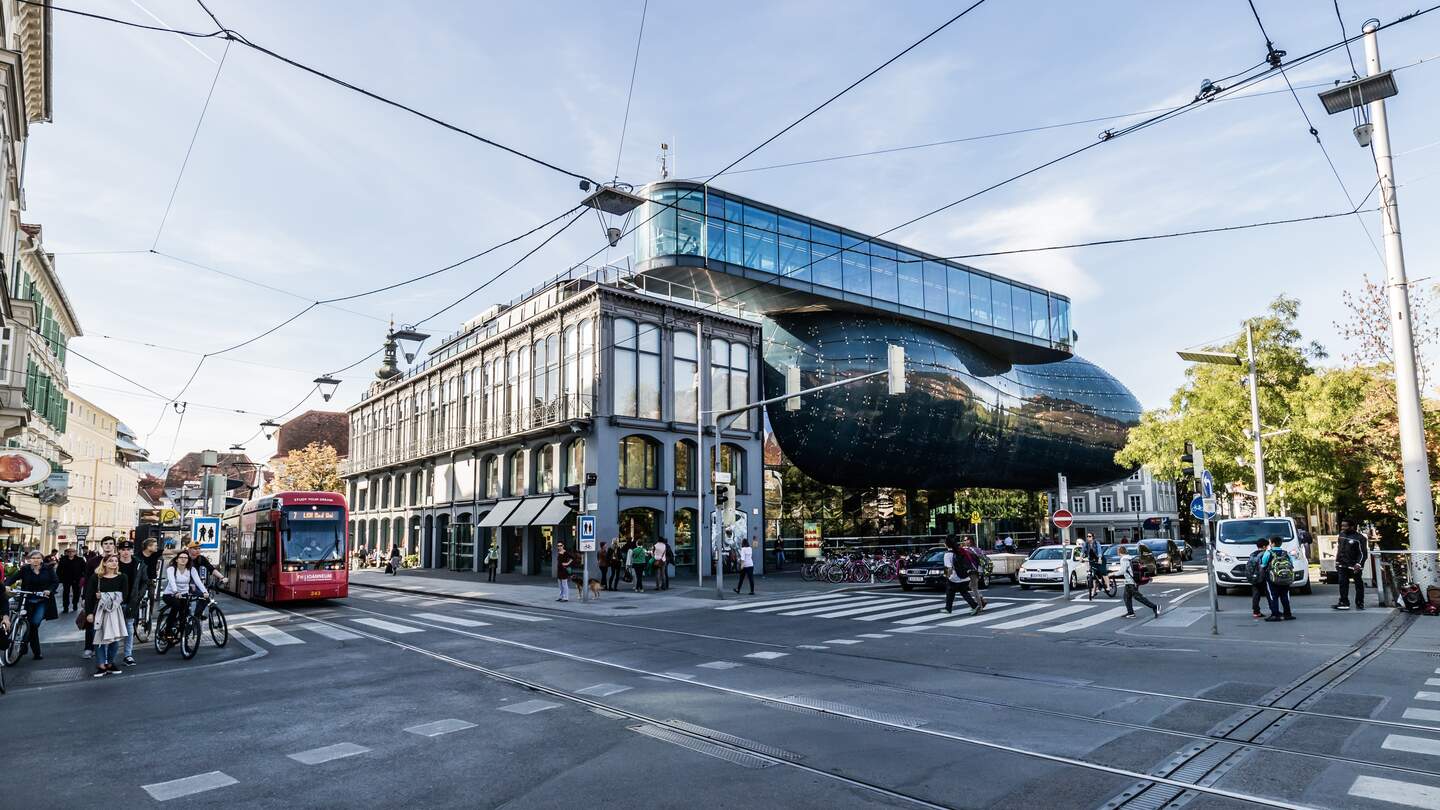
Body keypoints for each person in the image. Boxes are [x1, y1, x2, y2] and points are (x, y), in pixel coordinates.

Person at [4, 550, 57, 660]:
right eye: (33, 558)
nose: (36, 560)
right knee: (26, 623)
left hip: (42, 600)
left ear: (42, 559)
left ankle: (29, 648)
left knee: (34, 624)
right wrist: (6, 585)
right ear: (29, 560)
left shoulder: (48, 569)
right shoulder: (25, 569)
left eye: (38, 558)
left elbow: (55, 581)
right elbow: (13, 578)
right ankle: (32, 650)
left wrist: (49, 590)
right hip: (27, 600)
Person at [85, 553, 129, 678]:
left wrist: (104, 596)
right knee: (99, 638)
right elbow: (89, 596)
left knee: (114, 638)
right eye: (110, 561)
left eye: (116, 561)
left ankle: (110, 663)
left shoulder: (122, 577)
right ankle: (101, 665)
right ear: (104, 563)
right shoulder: (96, 577)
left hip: (115, 611)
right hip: (98, 611)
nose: (114, 563)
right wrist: (89, 613)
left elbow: (124, 595)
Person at [116, 541, 149, 667]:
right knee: (112, 629)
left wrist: (139, 596)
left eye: (128, 549)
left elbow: (145, 581)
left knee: (129, 629)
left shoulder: (139, 564)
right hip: (115, 602)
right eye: (123, 549)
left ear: (132, 551)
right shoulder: (114, 562)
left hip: (131, 601)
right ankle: (109, 657)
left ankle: (127, 655)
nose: (125, 552)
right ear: (119, 551)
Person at [161, 550, 208, 639]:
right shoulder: (171, 569)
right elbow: (172, 581)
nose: (183, 560)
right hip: (170, 594)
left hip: (184, 595)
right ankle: (168, 630)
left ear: (188, 560)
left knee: (184, 615)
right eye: (181, 558)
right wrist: (176, 592)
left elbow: (198, 582)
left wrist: (204, 592)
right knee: (176, 605)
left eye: (186, 558)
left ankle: (183, 637)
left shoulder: (191, 569)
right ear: (176, 560)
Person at [1334, 520, 1368, 610]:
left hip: (1354, 565)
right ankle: (1344, 602)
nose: (1343, 528)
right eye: (1342, 526)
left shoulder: (1360, 538)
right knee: (1343, 583)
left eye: (1345, 526)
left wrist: (1358, 564)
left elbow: (1363, 553)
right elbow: (1339, 549)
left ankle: (1360, 602)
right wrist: (1337, 561)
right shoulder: (1341, 535)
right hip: (1342, 564)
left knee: (1358, 584)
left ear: (1352, 527)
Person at [942, 536, 980, 615]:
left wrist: (947, 576)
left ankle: (948, 608)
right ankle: (974, 606)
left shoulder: (947, 555)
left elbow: (949, 568)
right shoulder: (960, 551)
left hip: (955, 578)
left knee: (950, 591)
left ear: (947, 544)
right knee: (963, 592)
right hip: (965, 576)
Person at [1119, 545, 1159, 619]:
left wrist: (1112, 574)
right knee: (1126, 597)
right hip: (1131, 581)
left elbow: (1122, 571)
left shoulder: (1123, 559)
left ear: (1119, 552)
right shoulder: (1130, 558)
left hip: (1131, 582)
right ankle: (1130, 613)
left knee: (1138, 597)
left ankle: (1155, 607)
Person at [1262, 536, 1296, 621]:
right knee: (1285, 595)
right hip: (1285, 578)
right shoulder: (1285, 553)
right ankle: (1287, 614)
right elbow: (1291, 563)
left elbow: (1264, 563)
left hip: (1272, 579)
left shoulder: (1268, 553)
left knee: (1273, 596)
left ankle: (1275, 614)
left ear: (1272, 543)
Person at [1246, 538, 1270, 619]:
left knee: (1256, 595)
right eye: (1267, 546)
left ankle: (1256, 612)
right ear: (1264, 546)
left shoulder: (1252, 554)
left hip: (1254, 577)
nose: (1268, 547)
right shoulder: (1265, 554)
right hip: (1264, 577)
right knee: (1269, 594)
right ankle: (1274, 610)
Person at [960, 537, 987, 610]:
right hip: (975, 570)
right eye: (964, 540)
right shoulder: (976, 549)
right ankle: (982, 601)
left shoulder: (971, 550)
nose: (965, 541)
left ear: (970, 540)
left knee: (974, 588)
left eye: (966, 540)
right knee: (972, 586)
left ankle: (980, 606)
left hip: (973, 570)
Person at [56, 546, 85, 613]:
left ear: (75, 552)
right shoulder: (63, 559)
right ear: (67, 553)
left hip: (77, 579)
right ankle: (65, 607)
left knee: (76, 593)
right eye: (69, 552)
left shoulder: (80, 559)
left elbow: (84, 569)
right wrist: (59, 578)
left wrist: (82, 577)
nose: (71, 553)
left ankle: (75, 604)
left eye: (72, 551)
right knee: (66, 593)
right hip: (66, 579)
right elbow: (59, 569)